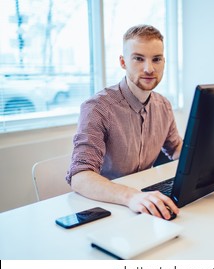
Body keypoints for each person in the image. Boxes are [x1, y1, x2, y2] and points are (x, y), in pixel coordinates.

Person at [66, 24, 182, 220]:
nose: (149, 68)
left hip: (145, 204)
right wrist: (132, 196)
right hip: (107, 205)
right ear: (123, 62)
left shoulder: (163, 105)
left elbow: (176, 148)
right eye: (138, 58)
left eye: (156, 59)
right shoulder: (97, 107)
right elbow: (79, 176)